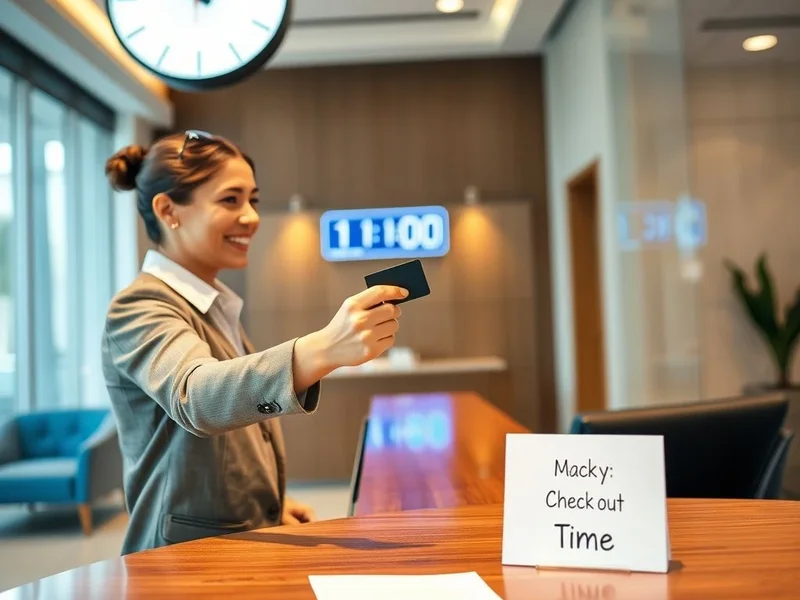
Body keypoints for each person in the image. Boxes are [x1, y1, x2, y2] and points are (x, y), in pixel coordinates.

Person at [101, 130, 407, 555]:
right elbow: (196, 396)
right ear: (168, 209)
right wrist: (321, 349)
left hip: (229, 543)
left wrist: (270, 507)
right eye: (231, 200)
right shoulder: (140, 305)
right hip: (179, 561)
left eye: (253, 200)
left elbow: (227, 448)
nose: (251, 217)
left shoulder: (213, 305)